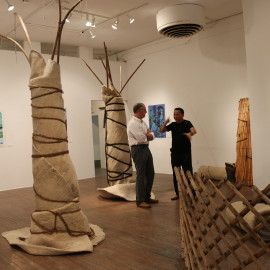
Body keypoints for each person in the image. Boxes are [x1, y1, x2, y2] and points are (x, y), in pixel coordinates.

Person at [160, 108, 197, 200]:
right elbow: (162, 130)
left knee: (188, 173)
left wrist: (190, 134)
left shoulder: (187, 123)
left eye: (177, 114)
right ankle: (178, 193)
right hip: (175, 153)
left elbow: (194, 130)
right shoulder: (173, 125)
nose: (175, 116)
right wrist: (165, 122)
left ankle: (192, 193)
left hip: (185, 153)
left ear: (182, 115)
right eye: (174, 114)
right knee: (176, 173)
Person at [127, 103, 159, 208]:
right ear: (140, 111)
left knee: (150, 173)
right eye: (145, 110)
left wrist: (148, 135)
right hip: (138, 149)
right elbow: (141, 139)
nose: (146, 112)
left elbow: (152, 135)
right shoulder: (132, 124)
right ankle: (140, 201)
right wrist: (147, 135)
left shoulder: (142, 123)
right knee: (140, 175)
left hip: (145, 148)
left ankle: (146, 197)